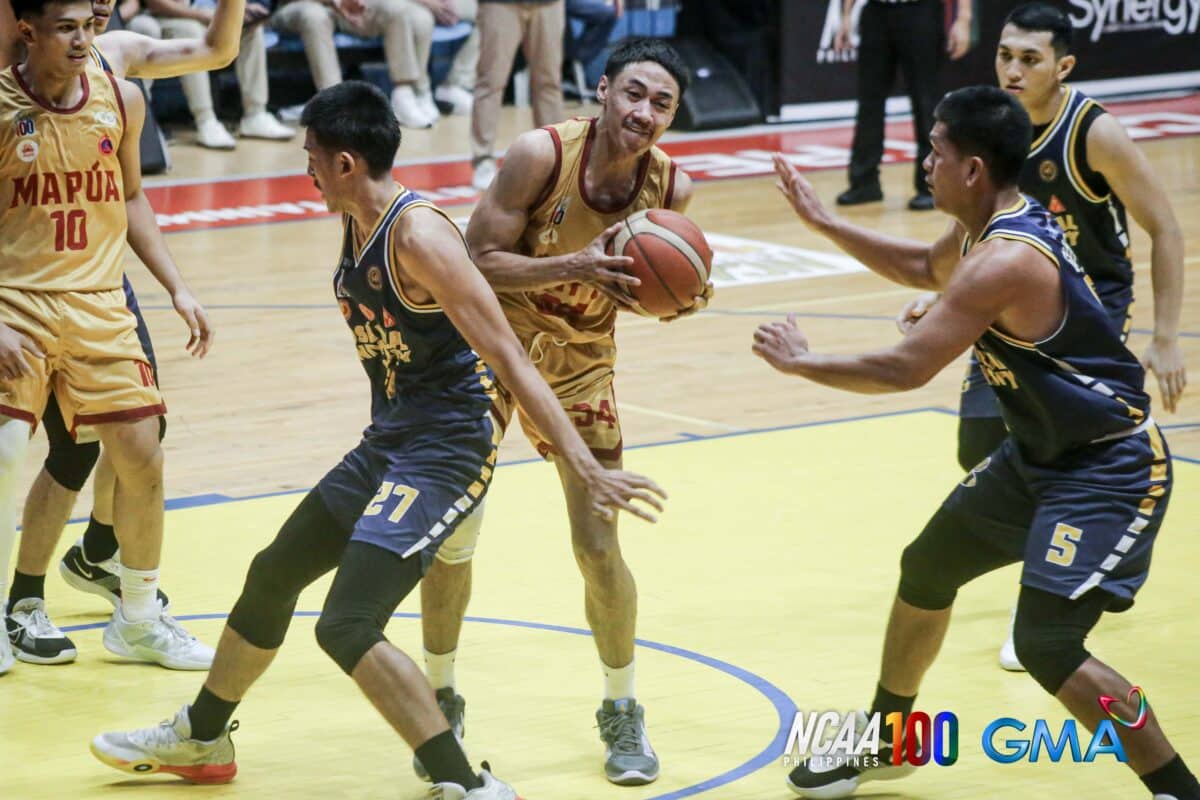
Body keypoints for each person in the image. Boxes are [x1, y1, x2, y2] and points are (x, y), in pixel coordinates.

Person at [89, 79, 666, 798]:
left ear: (345, 164)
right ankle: (203, 735)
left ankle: (472, 787)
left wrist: (586, 464)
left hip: (447, 449)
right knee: (273, 572)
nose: (304, 167)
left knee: (347, 623)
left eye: (311, 156)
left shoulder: (420, 236)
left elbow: (510, 360)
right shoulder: (356, 218)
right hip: (392, 438)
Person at [759, 85, 1198, 800]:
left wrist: (799, 362)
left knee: (1047, 645)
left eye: (934, 152)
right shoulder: (980, 229)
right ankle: (888, 740)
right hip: (1038, 458)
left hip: (1110, 469)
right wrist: (820, 221)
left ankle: (1177, 786)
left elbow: (905, 368)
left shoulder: (1006, 258)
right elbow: (918, 270)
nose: (923, 164)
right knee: (927, 567)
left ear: (971, 169)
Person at [410, 37, 708, 787]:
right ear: (603, 90)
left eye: (662, 104)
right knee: (455, 535)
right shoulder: (538, 156)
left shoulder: (672, 188)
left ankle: (622, 708)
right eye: (634, 94)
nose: (644, 113)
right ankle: (441, 693)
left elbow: (647, 290)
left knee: (598, 543)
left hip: (581, 365)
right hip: (490, 345)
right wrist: (572, 264)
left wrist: (673, 302)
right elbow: (473, 259)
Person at [896, 1, 1187, 672]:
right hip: (1011, 298)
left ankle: (1057, 585)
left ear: (1063, 66)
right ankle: (1055, 565)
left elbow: (1166, 227)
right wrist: (945, 297)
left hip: (1085, 310)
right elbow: (970, 242)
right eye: (1004, 55)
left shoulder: (1093, 133)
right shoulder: (996, 136)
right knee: (977, 440)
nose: (1012, 69)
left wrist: (1167, 336)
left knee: (1054, 440)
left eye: (1029, 59)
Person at [2, 0, 243, 668]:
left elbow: (132, 195)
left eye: (91, 24)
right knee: (13, 452)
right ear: (28, 27)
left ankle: (134, 614)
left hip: (99, 295)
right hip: (16, 295)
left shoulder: (122, 83)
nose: (85, 36)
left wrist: (178, 286)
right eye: (69, 26)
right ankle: (19, 601)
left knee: (142, 446)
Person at [833, 0, 972, 210]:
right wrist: (845, 16)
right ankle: (864, 183)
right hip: (876, 11)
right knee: (869, 102)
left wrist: (963, 19)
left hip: (920, 11)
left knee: (926, 103)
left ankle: (930, 185)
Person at [271, 0, 478, 129]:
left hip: (350, 5)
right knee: (314, 16)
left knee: (398, 9)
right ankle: (335, 103)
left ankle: (405, 93)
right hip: (299, 4)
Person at [129, 0, 292, 148]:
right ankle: (205, 120)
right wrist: (205, 15)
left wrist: (239, 10)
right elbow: (156, 4)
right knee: (190, 31)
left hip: (204, 12)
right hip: (165, 16)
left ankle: (256, 114)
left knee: (248, 28)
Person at [469, 0, 564, 191]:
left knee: (549, 83)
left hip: (549, 5)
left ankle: (557, 156)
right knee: (491, 82)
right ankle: (483, 160)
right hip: (501, 5)